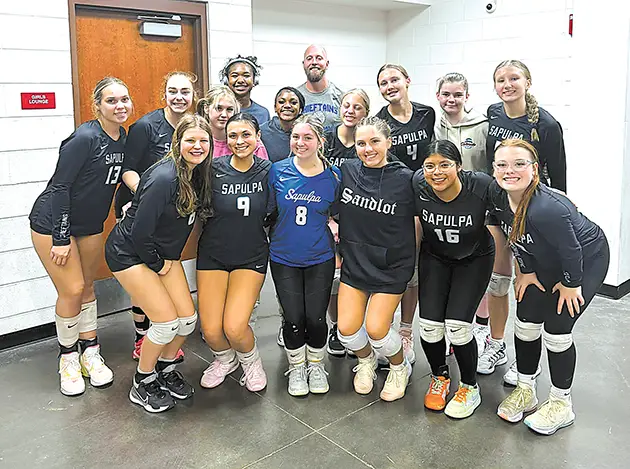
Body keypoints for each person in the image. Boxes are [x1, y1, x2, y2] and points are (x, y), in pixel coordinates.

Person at [489, 139, 608, 435]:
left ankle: (561, 403)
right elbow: (514, 237)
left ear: (535, 169)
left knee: (557, 329)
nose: (510, 170)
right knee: (526, 322)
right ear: (494, 170)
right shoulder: (498, 196)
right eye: (502, 165)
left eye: (519, 164)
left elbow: (572, 252)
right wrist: (526, 272)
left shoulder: (547, 208)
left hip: (584, 260)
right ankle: (526, 389)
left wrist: (570, 285)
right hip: (542, 261)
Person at [29, 77, 131, 396]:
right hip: (53, 223)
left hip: (90, 224)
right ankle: (68, 358)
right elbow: (60, 187)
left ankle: (90, 350)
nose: (120, 106)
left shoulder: (123, 136)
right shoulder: (85, 137)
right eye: (111, 100)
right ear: (96, 105)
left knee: (87, 286)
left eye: (124, 99)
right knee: (71, 289)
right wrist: (60, 237)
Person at [106, 114, 212, 413]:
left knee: (187, 321)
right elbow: (140, 230)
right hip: (130, 253)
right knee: (165, 323)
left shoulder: (198, 173)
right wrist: (157, 263)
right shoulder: (165, 177)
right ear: (178, 143)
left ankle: (164, 369)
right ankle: (143, 379)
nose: (197, 146)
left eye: (203, 141)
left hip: (161, 253)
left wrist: (165, 259)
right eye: (190, 140)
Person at [480, 60, 567, 384]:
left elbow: (558, 176)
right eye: (500, 79)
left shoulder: (546, 124)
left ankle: (527, 357)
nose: (507, 84)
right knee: (498, 281)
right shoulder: (492, 113)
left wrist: (556, 220)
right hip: (499, 206)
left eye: (513, 78)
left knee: (529, 283)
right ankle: (497, 343)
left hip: (532, 212)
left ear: (527, 82)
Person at [116, 70, 197, 361]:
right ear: (164, 93)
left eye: (185, 92)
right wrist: (144, 200)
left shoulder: (192, 128)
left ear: (193, 96)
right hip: (138, 209)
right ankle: (142, 337)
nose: (179, 97)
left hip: (169, 215)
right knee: (144, 278)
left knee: (162, 275)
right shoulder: (146, 126)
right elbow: (127, 169)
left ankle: (162, 337)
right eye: (173, 91)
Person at [336, 116, 416, 402]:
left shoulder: (406, 179)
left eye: (374, 142)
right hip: (355, 260)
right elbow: (331, 205)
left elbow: (419, 221)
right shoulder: (347, 170)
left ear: (388, 142)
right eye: (361, 143)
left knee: (377, 328)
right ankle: (367, 360)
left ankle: (398, 366)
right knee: (346, 330)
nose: (367, 149)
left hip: (391, 263)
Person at [413, 140, 494, 419]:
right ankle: (440, 376)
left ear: (459, 166)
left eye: (445, 165)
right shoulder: (417, 185)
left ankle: (470, 386)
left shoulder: (481, 185)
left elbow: (511, 212)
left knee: (458, 328)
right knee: (429, 328)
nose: (437, 172)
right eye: (430, 166)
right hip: (435, 256)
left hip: (474, 257)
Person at [197, 113, 271, 393]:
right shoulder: (211, 170)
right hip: (213, 256)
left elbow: (276, 213)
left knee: (235, 327)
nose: (239, 141)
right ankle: (225, 360)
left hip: (250, 257)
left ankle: (251, 362)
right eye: (233, 136)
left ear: (257, 137)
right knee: (212, 331)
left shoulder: (268, 171)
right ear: (225, 140)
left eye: (246, 135)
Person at [268, 114, 340, 396]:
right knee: (293, 317)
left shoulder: (333, 176)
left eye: (308, 137)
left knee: (316, 318)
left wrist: (335, 226)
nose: (300, 142)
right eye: (296, 137)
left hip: (319, 257)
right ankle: (296, 367)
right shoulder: (277, 171)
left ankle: (316, 365)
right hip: (284, 256)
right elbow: (268, 211)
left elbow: (338, 213)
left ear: (320, 141)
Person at [375, 63, 436, 364]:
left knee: (415, 268)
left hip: (426, 195)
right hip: (396, 200)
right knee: (399, 264)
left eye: (394, 79)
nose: (389, 86)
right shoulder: (379, 120)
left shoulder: (427, 114)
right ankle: (383, 326)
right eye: (383, 83)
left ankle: (407, 329)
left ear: (407, 80)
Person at [434, 72, 491, 353]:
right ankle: (449, 330)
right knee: (448, 270)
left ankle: (480, 327)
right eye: (446, 94)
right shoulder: (435, 126)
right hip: (444, 208)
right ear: (438, 97)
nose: (451, 99)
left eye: (458, 94)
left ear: (467, 96)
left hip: (477, 208)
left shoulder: (482, 126)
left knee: (479, 271)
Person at [322, 88, 369, 357]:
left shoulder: (366, 142)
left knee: (358, 275)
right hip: (330, 216)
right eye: (346, 105)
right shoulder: (328, 139)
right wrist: (329, 218)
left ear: (365, 113)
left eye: (357, 107)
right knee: (335, 277)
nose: (350, 111)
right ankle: (337, 326)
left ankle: (357, 325)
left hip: (359, 217)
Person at [197, 85, 268, 159]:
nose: (224, 115)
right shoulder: (198, 140)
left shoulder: (250, 141)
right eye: (219, 108)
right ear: (206, 108)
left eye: (229, 109)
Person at [297, 44, 343, 132]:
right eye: (309, 58)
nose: (314, 62)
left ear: (327, 64)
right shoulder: (295, 97)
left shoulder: (341, 96)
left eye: (319, 58)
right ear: (304, 64)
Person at [220, 55, 270, 126]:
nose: (240, 80)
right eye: (234, 76)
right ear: (226, 80)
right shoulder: (220, 112)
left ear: (255, 80)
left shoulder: (263, 113)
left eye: (246, 76)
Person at [260, 86, 305, 163]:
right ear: (275, 107)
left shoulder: (308, 131)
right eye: (281, 102)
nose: (287, 106)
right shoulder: (262, 132)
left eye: (293, 102)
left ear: (301, 109)